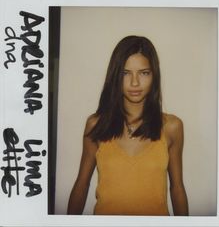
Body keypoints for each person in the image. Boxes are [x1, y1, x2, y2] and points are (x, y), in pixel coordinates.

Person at [67, 35, 189, 216]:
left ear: (154, 76)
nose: (134, 82)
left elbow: (177, 187)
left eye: (144, 73)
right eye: (125, 73)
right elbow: (82, 184)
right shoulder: (96, 125)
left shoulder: (172, 127)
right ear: (115, 75)